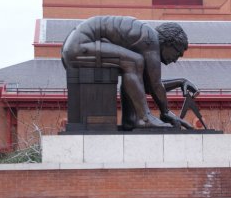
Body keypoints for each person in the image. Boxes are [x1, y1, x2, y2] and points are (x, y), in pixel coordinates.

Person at [62, 16, 198, 130]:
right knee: (133, 62)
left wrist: (180, 82)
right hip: (79, 48)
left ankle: (131, 119)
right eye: (177, 53)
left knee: (132, 68)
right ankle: (143, 118)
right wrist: (166, 112)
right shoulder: (150, 39)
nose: (175, 60)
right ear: (170, 43)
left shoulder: (146, 38)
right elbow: (155, 85)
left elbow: (147, 85)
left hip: (77, 48)